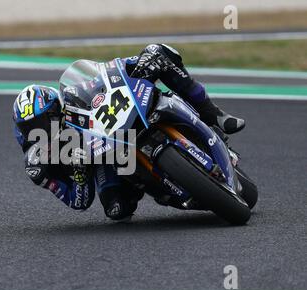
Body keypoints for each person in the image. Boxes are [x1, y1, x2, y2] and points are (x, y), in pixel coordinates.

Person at [13, 44, 245, 221]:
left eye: (45, 120)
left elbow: (107, 74)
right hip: (108, 161)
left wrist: (138, 64)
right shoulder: (38, 164)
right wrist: (80, 171)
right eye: (32, 127)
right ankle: (155, 188)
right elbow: (79, 201)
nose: (43, 130)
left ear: (57, 109)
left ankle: (214, 114)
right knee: (117, 209)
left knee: (158, 52)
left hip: (126, 120)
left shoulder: (75, 97)